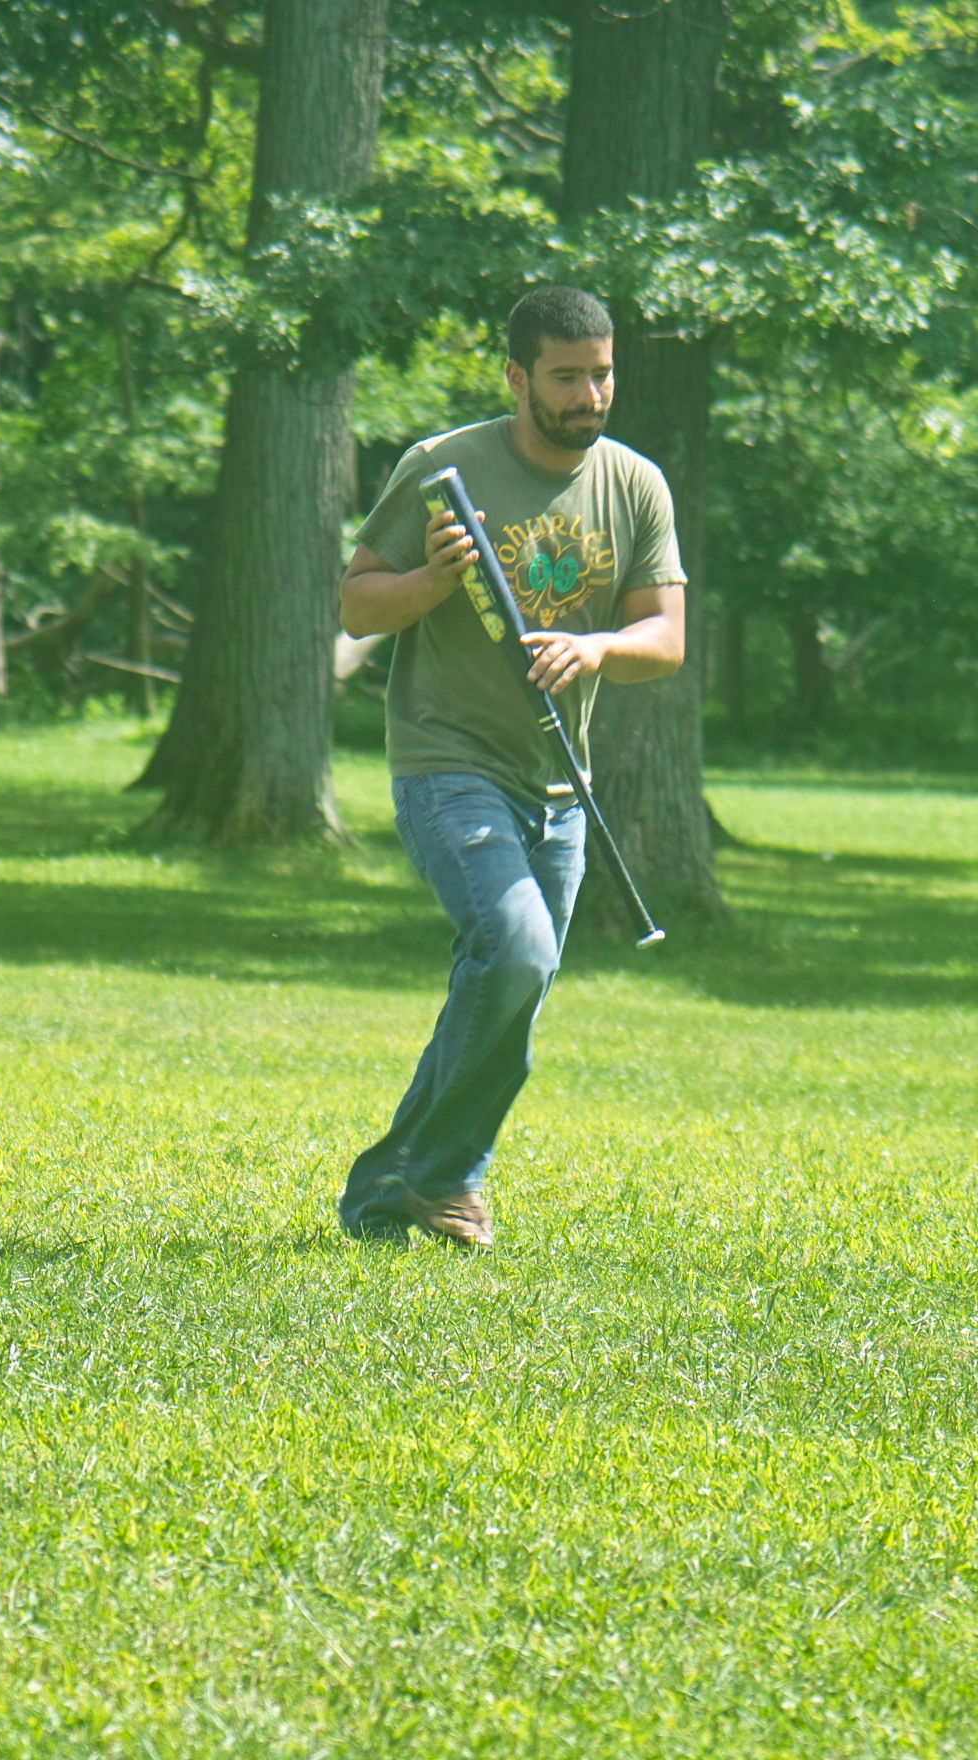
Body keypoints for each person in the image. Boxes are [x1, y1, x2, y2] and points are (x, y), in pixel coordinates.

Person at [334, 286, 687, 1249]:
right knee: (519, 948)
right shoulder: (443, 467)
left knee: (507, 990)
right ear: (517, 378)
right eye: (567, 377)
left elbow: (666, 639)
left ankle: (391, 1185)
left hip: (561, 787)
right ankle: (450, 1180)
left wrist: (597, 648)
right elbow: (357, 607)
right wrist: (433, 579)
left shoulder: (634, 485)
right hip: (446, 762)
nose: (590, 395)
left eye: (602, 375)